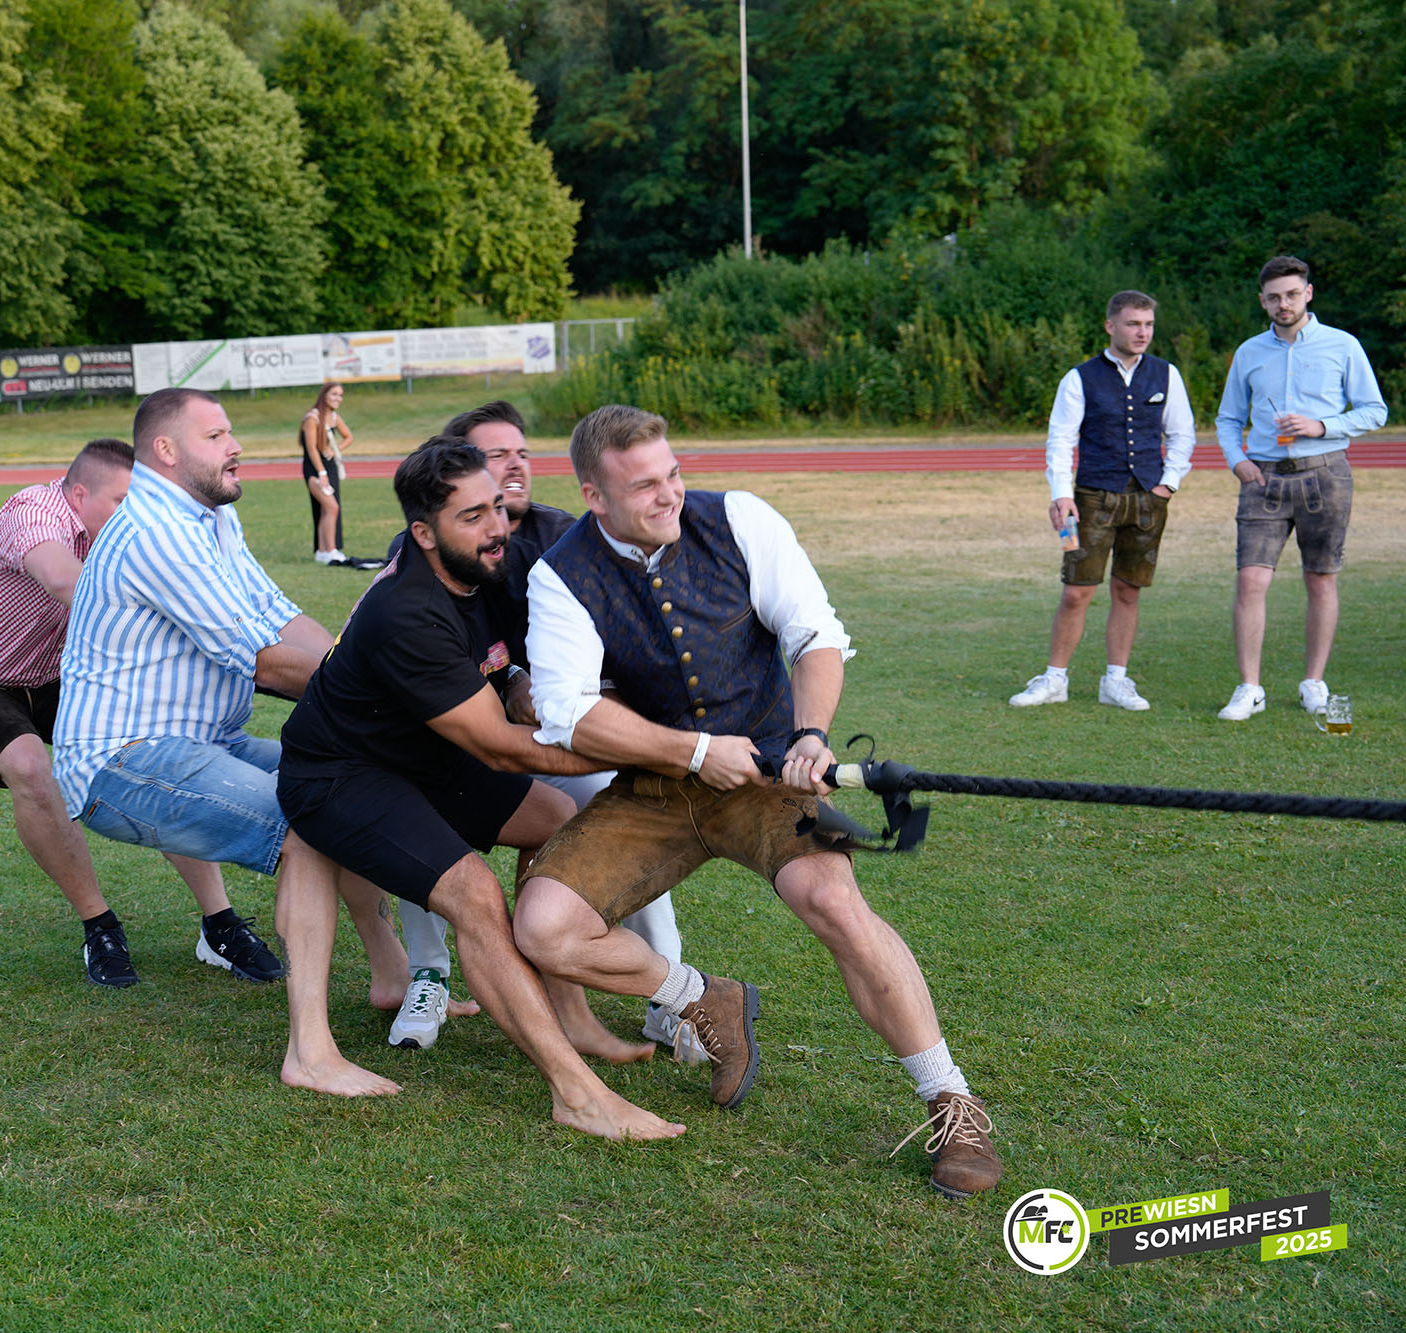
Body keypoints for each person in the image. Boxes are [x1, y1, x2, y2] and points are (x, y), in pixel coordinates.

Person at [512, 404, 1004, 1198]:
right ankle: (705, 998)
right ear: (594, 496)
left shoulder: (741, 519)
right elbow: (568, 710)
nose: (669, 495)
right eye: (643, 486)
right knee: (544, 928)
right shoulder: (559, 574)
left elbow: (814, 635)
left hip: (771, 772)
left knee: (834, 901)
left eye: (673, 474)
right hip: (656, 787)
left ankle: (951, 1100)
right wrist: (692, 753)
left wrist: (810, 735)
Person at [276, 436, 696, 1140]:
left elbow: (527, 667)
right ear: (424, 533)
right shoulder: (407, 611)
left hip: (422, 758)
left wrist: (533, 684)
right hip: (341, 774)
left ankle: (568, 1013)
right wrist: (649, 755)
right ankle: (576, 1094)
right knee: (473, 894)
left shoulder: (495, 566)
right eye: (471, 516)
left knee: (553, 821)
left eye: (496, 507)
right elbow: (499, 746)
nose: (496, 527)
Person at [53, 391, 408, 1009]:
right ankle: (310, 1044)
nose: (236, 446)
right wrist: (389, 693)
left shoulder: (211, 517)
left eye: (230, 433)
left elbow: (278, 615)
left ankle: (394, 977)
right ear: (166, 450)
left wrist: (356, 667)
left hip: (204, 741)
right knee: (311, 825)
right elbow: (261, 658)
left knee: (350, 788)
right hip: (120, 758)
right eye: (215, 437)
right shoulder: (155, 533)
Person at [381, 401, 700, 1061]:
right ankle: (429, 974)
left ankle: (670, 999)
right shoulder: (427, 554)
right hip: (465, 738)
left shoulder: (566, 535)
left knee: (621, 799)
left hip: (552, 734)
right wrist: (511, 686)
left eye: (521, 451)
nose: (514, 464)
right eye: (493, 455)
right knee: (414, 805)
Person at [0, 439, 229, 989]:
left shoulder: (133, 534)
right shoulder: (34, 510)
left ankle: (220, 923)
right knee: (30, 767)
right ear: (79, 494)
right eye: (122, 501)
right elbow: (63, 579)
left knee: (156, 754)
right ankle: (99, 927)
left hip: (54, 676)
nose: (134, 515)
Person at [1213, 256, 1389, 721]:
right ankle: (1250, 688)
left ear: (1308, 293)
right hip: (1263, 478)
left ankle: (1314, 682)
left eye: (1292, 294)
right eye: (1274, 297)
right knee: (1251, 580)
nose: (1283, 304)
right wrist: (1237, 460)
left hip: (1326, 473)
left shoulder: (1343, 345)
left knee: (1321, 578)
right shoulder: (1249, 352)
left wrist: (1321, 425)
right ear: (1262, 301)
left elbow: (1374, 410)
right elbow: (1228, 418)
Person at [1010, 291, 1195, 711]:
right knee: (1076, 591)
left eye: (1148, 324)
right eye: (1133, 324)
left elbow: (1182, 435)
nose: (1142, 332)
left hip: (1147, 500)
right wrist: (1061, 494)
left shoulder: (1166, 374)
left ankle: (1116, 681)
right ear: (1111, 326)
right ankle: (1054, 679)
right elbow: (1061, 440)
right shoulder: (1079, 378)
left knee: (1128, 590)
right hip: (1090, 500)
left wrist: (1167, 485)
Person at [301, 382, 354, 565]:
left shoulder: (334, 417)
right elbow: (311, 449)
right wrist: (321, 472)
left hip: (329, 468)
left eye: (340, 395)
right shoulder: (312, 418)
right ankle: (331, 550)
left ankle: (323, 552)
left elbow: (349, 437)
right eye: (334, 394)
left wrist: (335, 450)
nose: (338, 398)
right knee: (331, 507)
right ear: (324, 395)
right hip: (315, 469)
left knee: (327, 508)